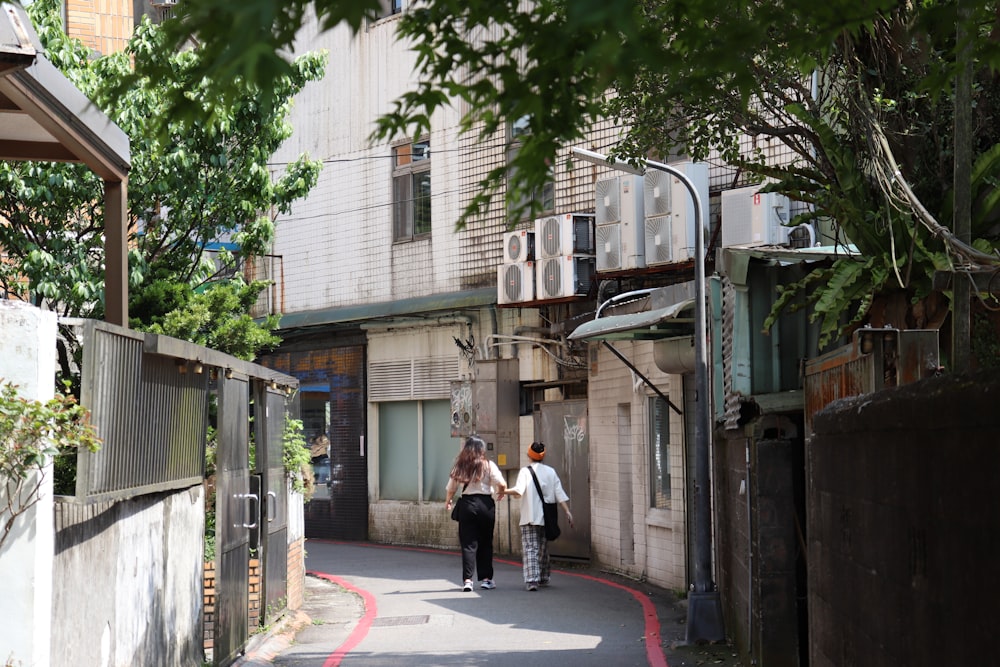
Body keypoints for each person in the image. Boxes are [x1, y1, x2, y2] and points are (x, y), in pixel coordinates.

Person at [505, 441, 573, 591]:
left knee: (530, 548)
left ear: (529, 455)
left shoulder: (525, 471)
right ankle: (543, 576)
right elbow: (559, 494)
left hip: (530, 515)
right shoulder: (551, 472)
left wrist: (503, 491)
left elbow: (518, 491)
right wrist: (567, 511)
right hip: (546, 517)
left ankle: (532, 580)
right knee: (542, 548)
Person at [445, 435, 507, 592]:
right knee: (486, 542)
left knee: (468, 544)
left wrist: (448, 501)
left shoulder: (460, 465)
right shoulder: (488, 465)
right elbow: (502, 483)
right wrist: (501, 492)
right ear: (482, 449)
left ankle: (467, 580)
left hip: (467, 505)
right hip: (486, 505)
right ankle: (487, 579)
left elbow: (451, 487)